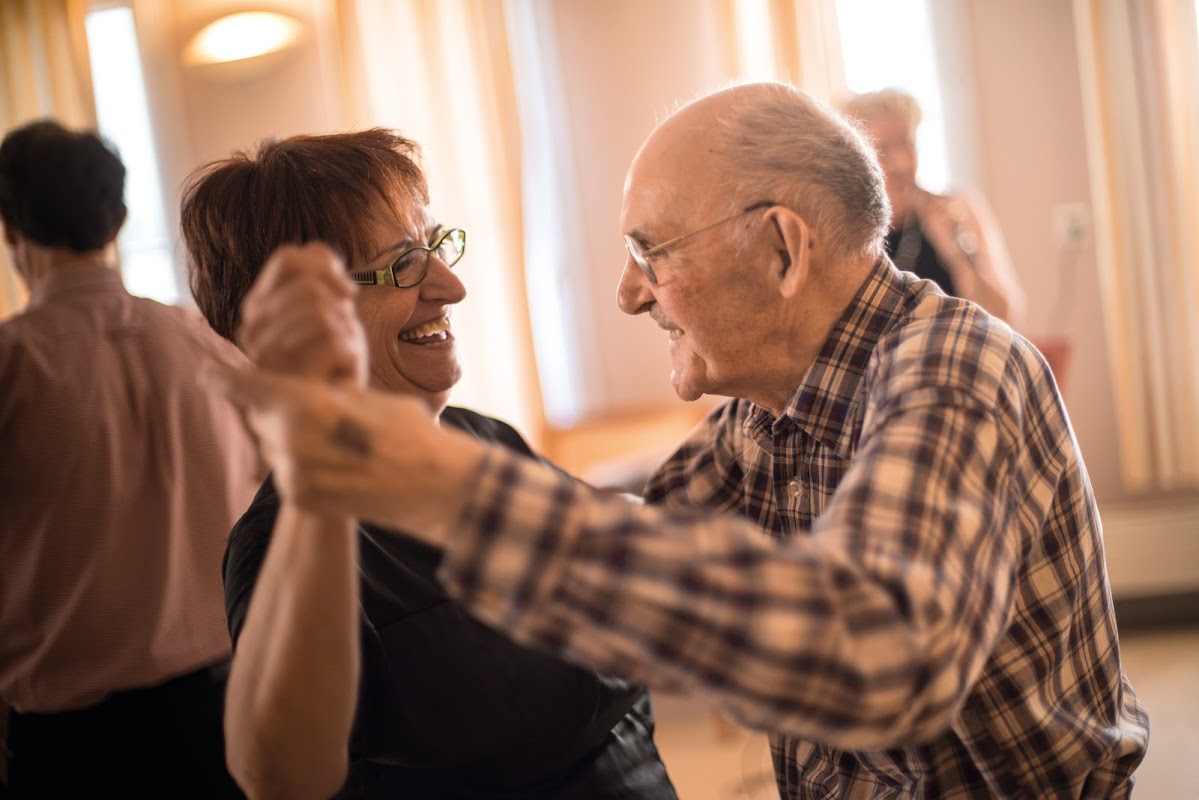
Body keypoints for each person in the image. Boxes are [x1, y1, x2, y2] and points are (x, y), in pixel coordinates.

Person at [205, 83, 1150, 798]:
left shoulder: (948, 374)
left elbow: (877, 655)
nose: (627, 292)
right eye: (403, 265)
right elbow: (639, 531)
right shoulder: (772, 411)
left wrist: (434, 481)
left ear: (781, 251)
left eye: (649, 251)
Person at [180, 129, 678, 800]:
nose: (451, 286)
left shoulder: (488, 441)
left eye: (435, 247)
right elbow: (282, 778)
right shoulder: (281, 544)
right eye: (402, 265)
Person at [0, 120, 257, 798]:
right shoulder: (202, 342)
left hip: (76, 745)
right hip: (225, 713)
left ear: (10, 230)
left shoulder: (11, 365)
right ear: (117, 218)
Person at [840, 88, 1026, 326]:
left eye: (907, 144)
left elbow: (1003, 317)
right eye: (883, 149)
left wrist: (958, 251)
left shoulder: (959, 210)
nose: (902, 164)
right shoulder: (846, 229)